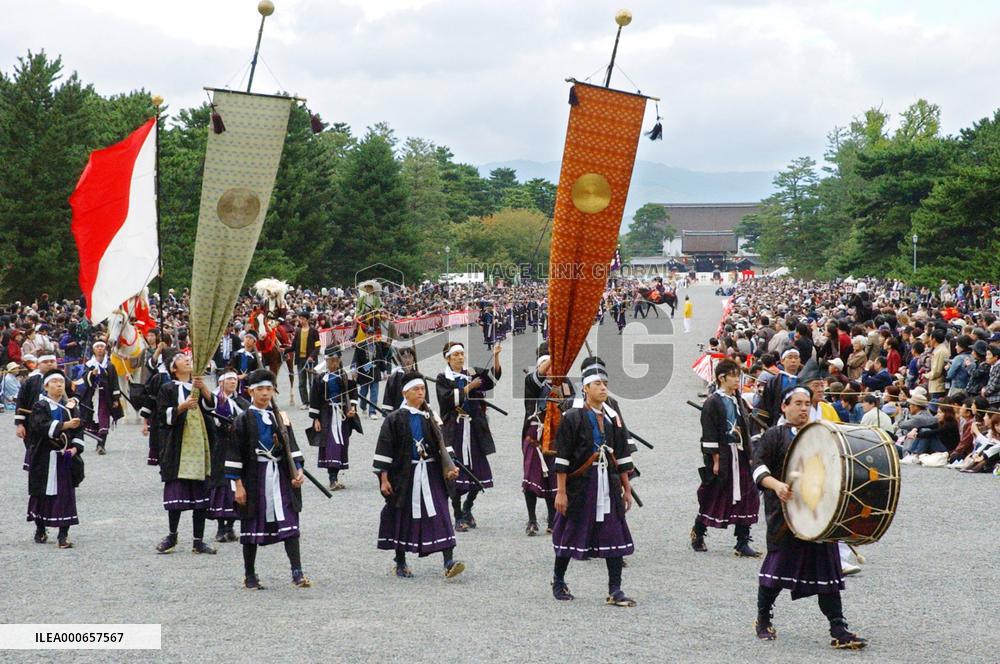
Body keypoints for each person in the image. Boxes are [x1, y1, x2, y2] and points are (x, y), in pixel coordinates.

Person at [751, 385, 867, 649]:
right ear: (784, 406)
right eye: (798, 403)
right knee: (776, 572)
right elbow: (757, 468)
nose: (804, 409)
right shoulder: (774, 435)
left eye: (807, 404)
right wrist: (777, 485)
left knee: (828, 575)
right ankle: (763, 619)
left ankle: (838, 629)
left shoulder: (820, 434)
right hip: (786, 516)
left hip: (819, 515)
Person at [550, 363, 636, 606]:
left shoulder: (613, 417)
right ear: (585, 388)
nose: (603, 388)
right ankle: (558, 580)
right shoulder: (572, 416)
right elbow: (562, 457)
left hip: (608, 483)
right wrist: (561, 492)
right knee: (570, 530)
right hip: (580, 485)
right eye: (597, 384)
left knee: (613, 531)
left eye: (605, 384)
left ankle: (615, 589)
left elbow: (621, 455)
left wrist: (627, 489)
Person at [373, 371, 465, 579]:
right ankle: (400, 561)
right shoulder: (394, 419)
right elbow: (384, 448)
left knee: (441, 511)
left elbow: (443, 444)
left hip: (431, 473)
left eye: (423, 389)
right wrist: (384, 479)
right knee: (402, 515)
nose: (421, 392)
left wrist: (450, 467)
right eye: (416, 389)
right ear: (405, 393)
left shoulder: (430, 416)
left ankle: (448, 562)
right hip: (405, 475)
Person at [226, 369, 311, 589]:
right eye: (260, 389)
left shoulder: (280, 417)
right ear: (250, 392)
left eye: (269, 389)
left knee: (289, 521)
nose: (265, 393)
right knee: (251, 523)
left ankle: (297, 572)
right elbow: (234, 454)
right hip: (255, 477)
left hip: (280, 476)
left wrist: (297, 470)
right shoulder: (242, 420)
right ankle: (250, 574)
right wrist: (238, 485)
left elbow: (292, 446)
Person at [691, 358, 761, 557]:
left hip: (740, 453)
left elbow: (745, 427)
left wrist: (750, 454)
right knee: (715, 493)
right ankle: (698, 531)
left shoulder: (738, 399)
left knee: (748, 494)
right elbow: (709, 433)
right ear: (722, 378)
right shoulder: (713, 402)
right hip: (723, 455)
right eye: (733, 376)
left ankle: (742, 541)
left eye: (738, 375)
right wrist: (715, 460)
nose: (737, 379)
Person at [154, 353, 218, 555]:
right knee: (177, 492)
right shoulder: (167, 388)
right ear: (174, 368)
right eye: (181, 359)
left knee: (200, 493)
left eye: (187, 357)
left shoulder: (196, 386)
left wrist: (203, 387)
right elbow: (162, 416)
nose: (187, 359)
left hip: (199, 442)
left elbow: (211, 406)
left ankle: (198, 541)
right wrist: (181, 407)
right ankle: (172, 536)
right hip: (177, 446)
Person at [436, 341, 502, 531]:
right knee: (454, 471)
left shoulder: (471, 371)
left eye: (461, 354)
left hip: (473, 428)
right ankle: (457, 515)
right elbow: (446, 400)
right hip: (453, 429)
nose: (460, 357)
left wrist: (496, 356)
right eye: (455, 355)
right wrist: (468, 387)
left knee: (478, 472)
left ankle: (467, 507)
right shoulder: (443, 378)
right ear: (448, 358)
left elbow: (492, 378)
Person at [27, 369, 84, 548]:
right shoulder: (40, 406)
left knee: (65, 495)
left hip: (64, 458)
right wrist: (64, 425)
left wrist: (75, 449)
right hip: (44, 457)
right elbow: (39, 427)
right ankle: (40, 528)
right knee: (42, 494)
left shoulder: (70, 407)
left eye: (61, 381)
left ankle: (63, 535)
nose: (59, 385)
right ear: (46, 386)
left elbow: (78, 431)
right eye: (54, 382)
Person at [309, 348, 361, 490]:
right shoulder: (320, 378)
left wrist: (352, 408)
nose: (332, 364)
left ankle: (335, 477)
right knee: (332, 445)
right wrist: (316, 419)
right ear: (325, 361)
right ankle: (332, 479)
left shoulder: (345, 376)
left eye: (335, 361)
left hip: (342, 415)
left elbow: (353, 393)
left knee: (341, 444)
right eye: (329, 361)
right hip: (326, 416)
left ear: (339, 361)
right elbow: (314, 399)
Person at [208, 370, 248, 543]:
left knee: (236, 484)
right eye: (229, 379)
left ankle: (230, 526)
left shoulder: (241, 401)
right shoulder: (214, 400)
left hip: (238, 448)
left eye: (235, 379)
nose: (233, 382)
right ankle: (220, 528)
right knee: (222, 484)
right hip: (220, 447)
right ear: (221, 383)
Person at [78, 340, 123, 455]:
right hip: (92, 397)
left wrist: (116, 399)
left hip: (105, 397)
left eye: (101, 347)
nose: (99, 349)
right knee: (92, 420)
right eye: (97, 346)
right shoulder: (89, 365)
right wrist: (91, 374)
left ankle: (101, 445)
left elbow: (114, 382)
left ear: (105, 349)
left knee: (104, 419)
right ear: (93, 350)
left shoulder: (110, 365)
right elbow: (84, 380)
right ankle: (95, 441)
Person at [291, 311, 320, 409]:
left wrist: (312, 356)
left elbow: (318, 346)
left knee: (312, 382)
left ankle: (313, 402)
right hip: (300, 360)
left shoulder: (314, 331)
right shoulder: (298, 331)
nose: (301, 321)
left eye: (303, 319)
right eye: (300, 318)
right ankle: (305, 402)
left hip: (311, 361)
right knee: (301, 383)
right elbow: (293, 346)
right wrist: (285, 350)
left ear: (307, 319)